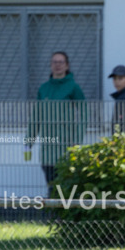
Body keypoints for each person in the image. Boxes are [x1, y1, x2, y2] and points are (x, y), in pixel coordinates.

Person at [25, 51, 86, 187]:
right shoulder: (43, 89)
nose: (57, 65)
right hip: (47, 149)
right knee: (52, 186)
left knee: (65, 187)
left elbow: (84, 113)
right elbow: (36, 117)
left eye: (61, 62)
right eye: (54, 62)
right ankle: (53, 208)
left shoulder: (73, 87)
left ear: (67, 65)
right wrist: (29, 141)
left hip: (67, 147)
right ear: (50, 65)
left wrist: (77, 141)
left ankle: (62, 208)